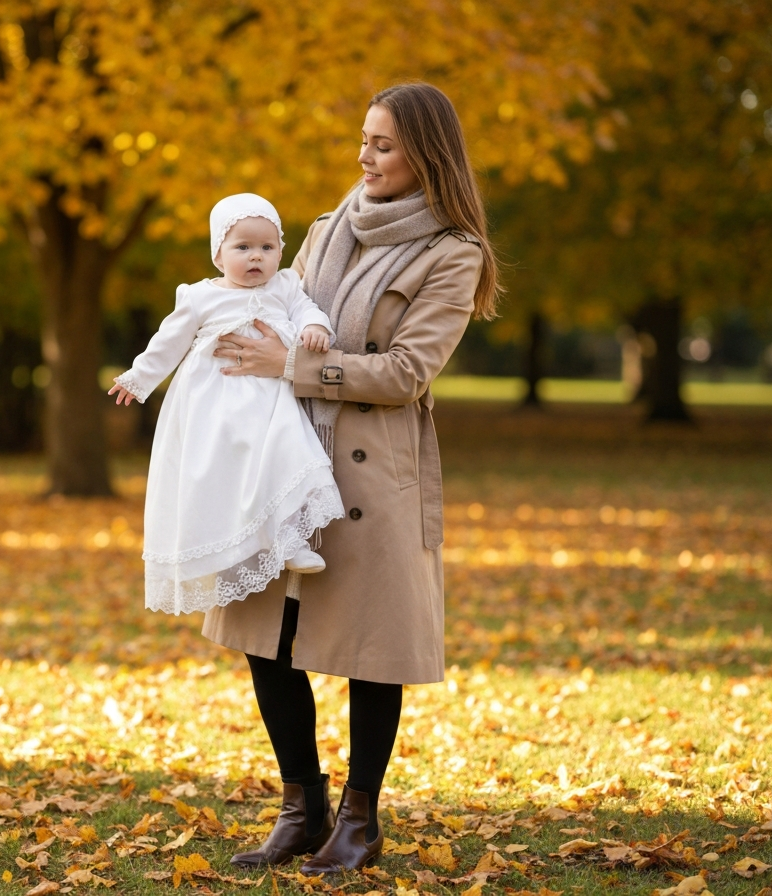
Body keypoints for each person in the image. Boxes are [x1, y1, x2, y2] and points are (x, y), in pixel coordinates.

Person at [204, 82, 501, 874]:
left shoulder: (453, 253)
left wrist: (295, 367)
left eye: (383, 145)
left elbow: (406, 372)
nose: (363, 156)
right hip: (285, 460)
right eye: (363, 139)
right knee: (266, 634)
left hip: (374, 477)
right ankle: (300, 806)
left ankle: (359, 822)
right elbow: (268, 310)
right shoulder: (324, 230)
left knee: (372, 649)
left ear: (425, 155)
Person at [109, 193, 345, 616]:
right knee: (228, 477)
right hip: (215, 404)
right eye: (243, 248)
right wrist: (139, 377)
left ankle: (291, 541)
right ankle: (230, 542)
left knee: (283, 459)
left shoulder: (286, 286)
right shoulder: (200, 296)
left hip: (273, 401)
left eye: (267, 248)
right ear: (218, 254)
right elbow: (168, 342)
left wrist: (314, 327)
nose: (256, 257)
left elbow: (307, 307)